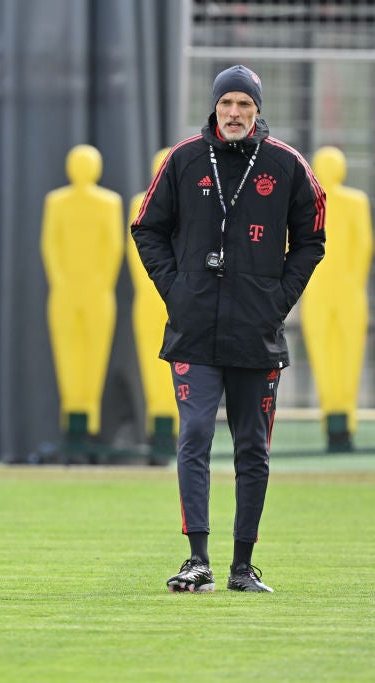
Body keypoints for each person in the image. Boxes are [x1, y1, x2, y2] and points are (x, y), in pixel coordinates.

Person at [132, 65, 326, 593]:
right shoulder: (183, 160)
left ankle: (242, 567)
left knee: (252, 448)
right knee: (194, 436)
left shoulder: (287, 165)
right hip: (194, 330)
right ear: (214, 108)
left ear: (257, 109)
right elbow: (146, 227)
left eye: (244, 104)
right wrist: (176, 289)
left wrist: (278, 299)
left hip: (256, 332)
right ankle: (198, 559)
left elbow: (312, 238)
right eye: (226, 104)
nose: (234, 113)